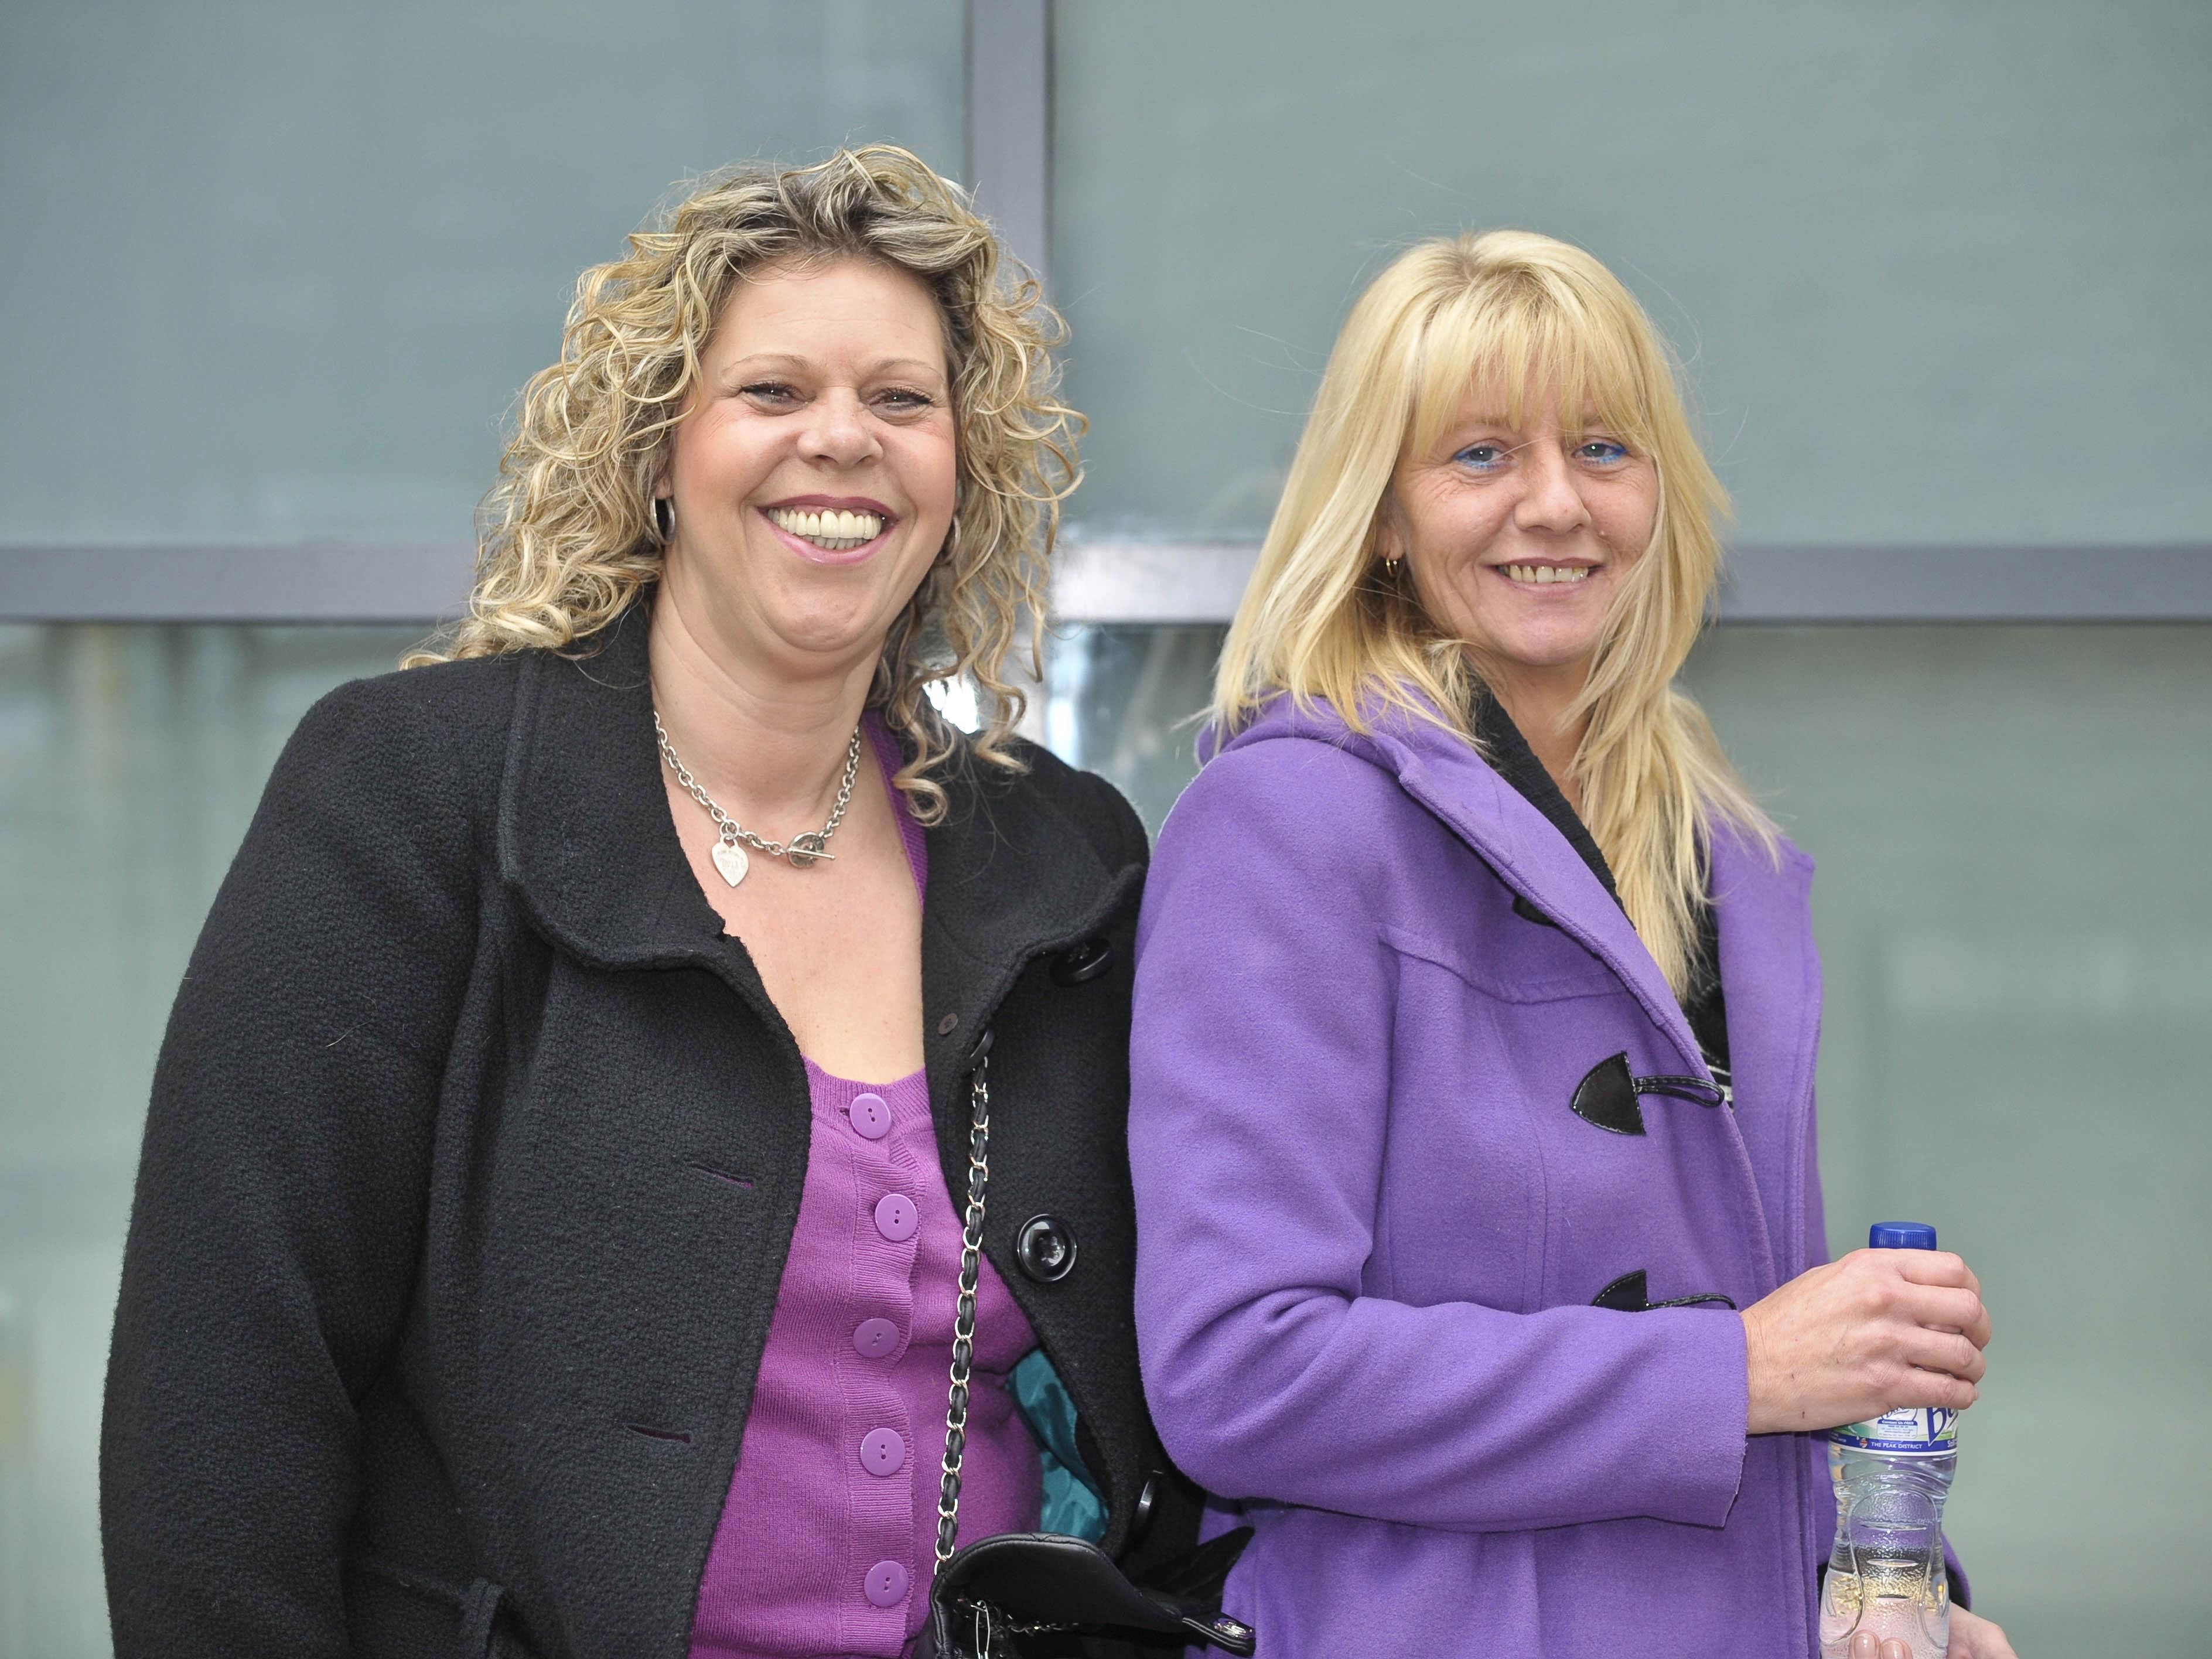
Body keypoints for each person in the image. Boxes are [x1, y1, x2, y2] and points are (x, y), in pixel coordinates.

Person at [101, 146, 1199, 1659]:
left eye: (901, 401)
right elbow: (222, 1405)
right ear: (656, 451)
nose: (845, 444)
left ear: (967, 469)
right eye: (771, 394)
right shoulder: (415, 800)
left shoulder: (1065, 859)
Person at [1127, 230, 2016, 1658]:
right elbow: (1238, 1376)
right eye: (1479, 456)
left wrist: (1903, 1588)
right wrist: (1731, 1373)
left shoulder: (1717, 845)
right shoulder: (1281, 823)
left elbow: (1758, 1320)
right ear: (1380, 518)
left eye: (1604, 449)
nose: (1556, 503)